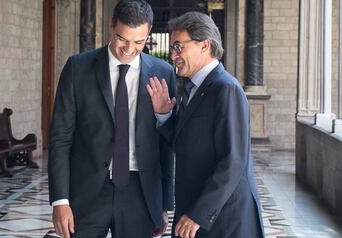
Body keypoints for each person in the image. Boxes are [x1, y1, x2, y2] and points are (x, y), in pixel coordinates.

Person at [48, 1, 176, 237]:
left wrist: (165, 203)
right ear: (111, 27)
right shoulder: (77, 68)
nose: (129, 49)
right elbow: (60, 138)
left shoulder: (163, 72)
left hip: (141, 192)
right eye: (122, 39)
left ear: (148, 35)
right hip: (87, 193)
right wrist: (60, 200)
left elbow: (166, 147)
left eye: (139, 42)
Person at [146, 12, 264, 238]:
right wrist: (163, 115)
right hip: (196, 210)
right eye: (172, 47)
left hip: (224, 219)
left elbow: (233, 161)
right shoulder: (193, 88)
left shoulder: (225, 89)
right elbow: (188, 142)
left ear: (204, 45)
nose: (173, 55)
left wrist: (198, 214)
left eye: (178, 47)